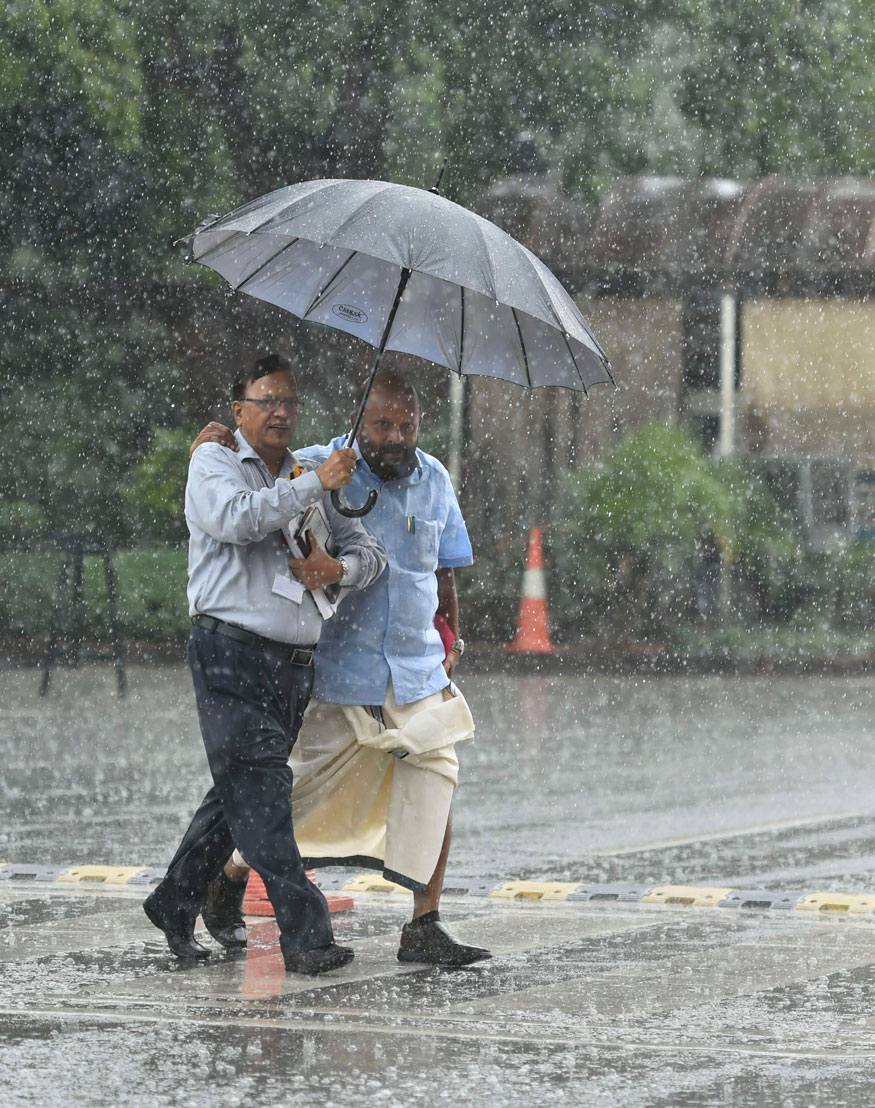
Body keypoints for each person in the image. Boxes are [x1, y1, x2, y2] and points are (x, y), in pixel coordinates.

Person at [193, 369, 491, 967]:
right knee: (286, 798)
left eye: (407, 425)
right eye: (382, 424)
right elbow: (255, 477)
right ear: (360, 421)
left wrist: (452, 633)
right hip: (336, 672)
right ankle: (227, 877)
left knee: (436, 781)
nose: (396, 437)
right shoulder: (313, 467)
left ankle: (425, 922)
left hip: (416, 668)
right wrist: (212, 444)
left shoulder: (435, 481)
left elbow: (444, 570)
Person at [143, 354, 386, 975]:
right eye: (268, 400)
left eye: (290, 402)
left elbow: (368, 550)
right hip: (230, 653)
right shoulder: (216, 461)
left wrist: (339, 570)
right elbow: (236, 520)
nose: (281, 412)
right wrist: (313, 485)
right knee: (267, 797)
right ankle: (307, 937)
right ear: (239, 410)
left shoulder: (308, 472)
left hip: (294, 665)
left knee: (238, 797)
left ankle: (175, 901)